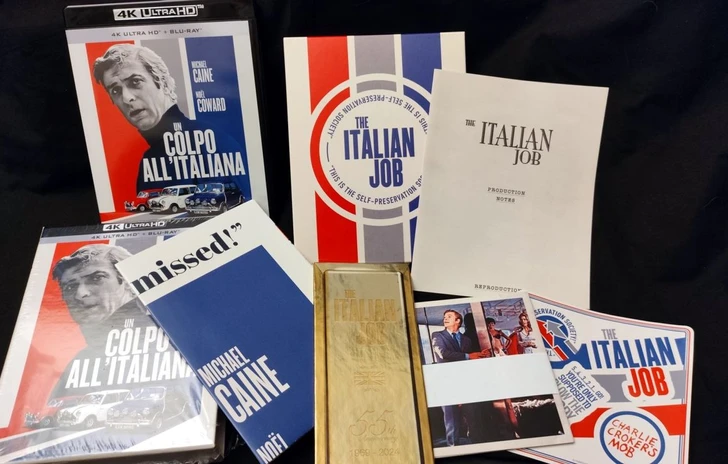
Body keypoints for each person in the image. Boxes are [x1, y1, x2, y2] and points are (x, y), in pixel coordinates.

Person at [92, 44, 247, 196]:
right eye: (115, 90)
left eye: (135, 82)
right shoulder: (150, 159)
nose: (127, 98)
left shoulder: (209, 140)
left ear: (163, 82)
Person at [49, 244, 149, 398]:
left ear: (128, 283)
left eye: (96, 278)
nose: (80, 294)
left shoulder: (165, 338)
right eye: (70, 287)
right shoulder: (81, 363)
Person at [431, 310, 488, 447]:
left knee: (473, 414)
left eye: (449, 317)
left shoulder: (467, 340)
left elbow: (469, 360)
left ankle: (478, 445)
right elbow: (443, 353)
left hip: (465, 381)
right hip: (446, 382)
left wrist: (479, 355)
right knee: (451, 417)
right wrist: (469, 356)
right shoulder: (437, 335)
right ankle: (453, 447)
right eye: (444, 317)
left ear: (458, 321)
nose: (445, 318)